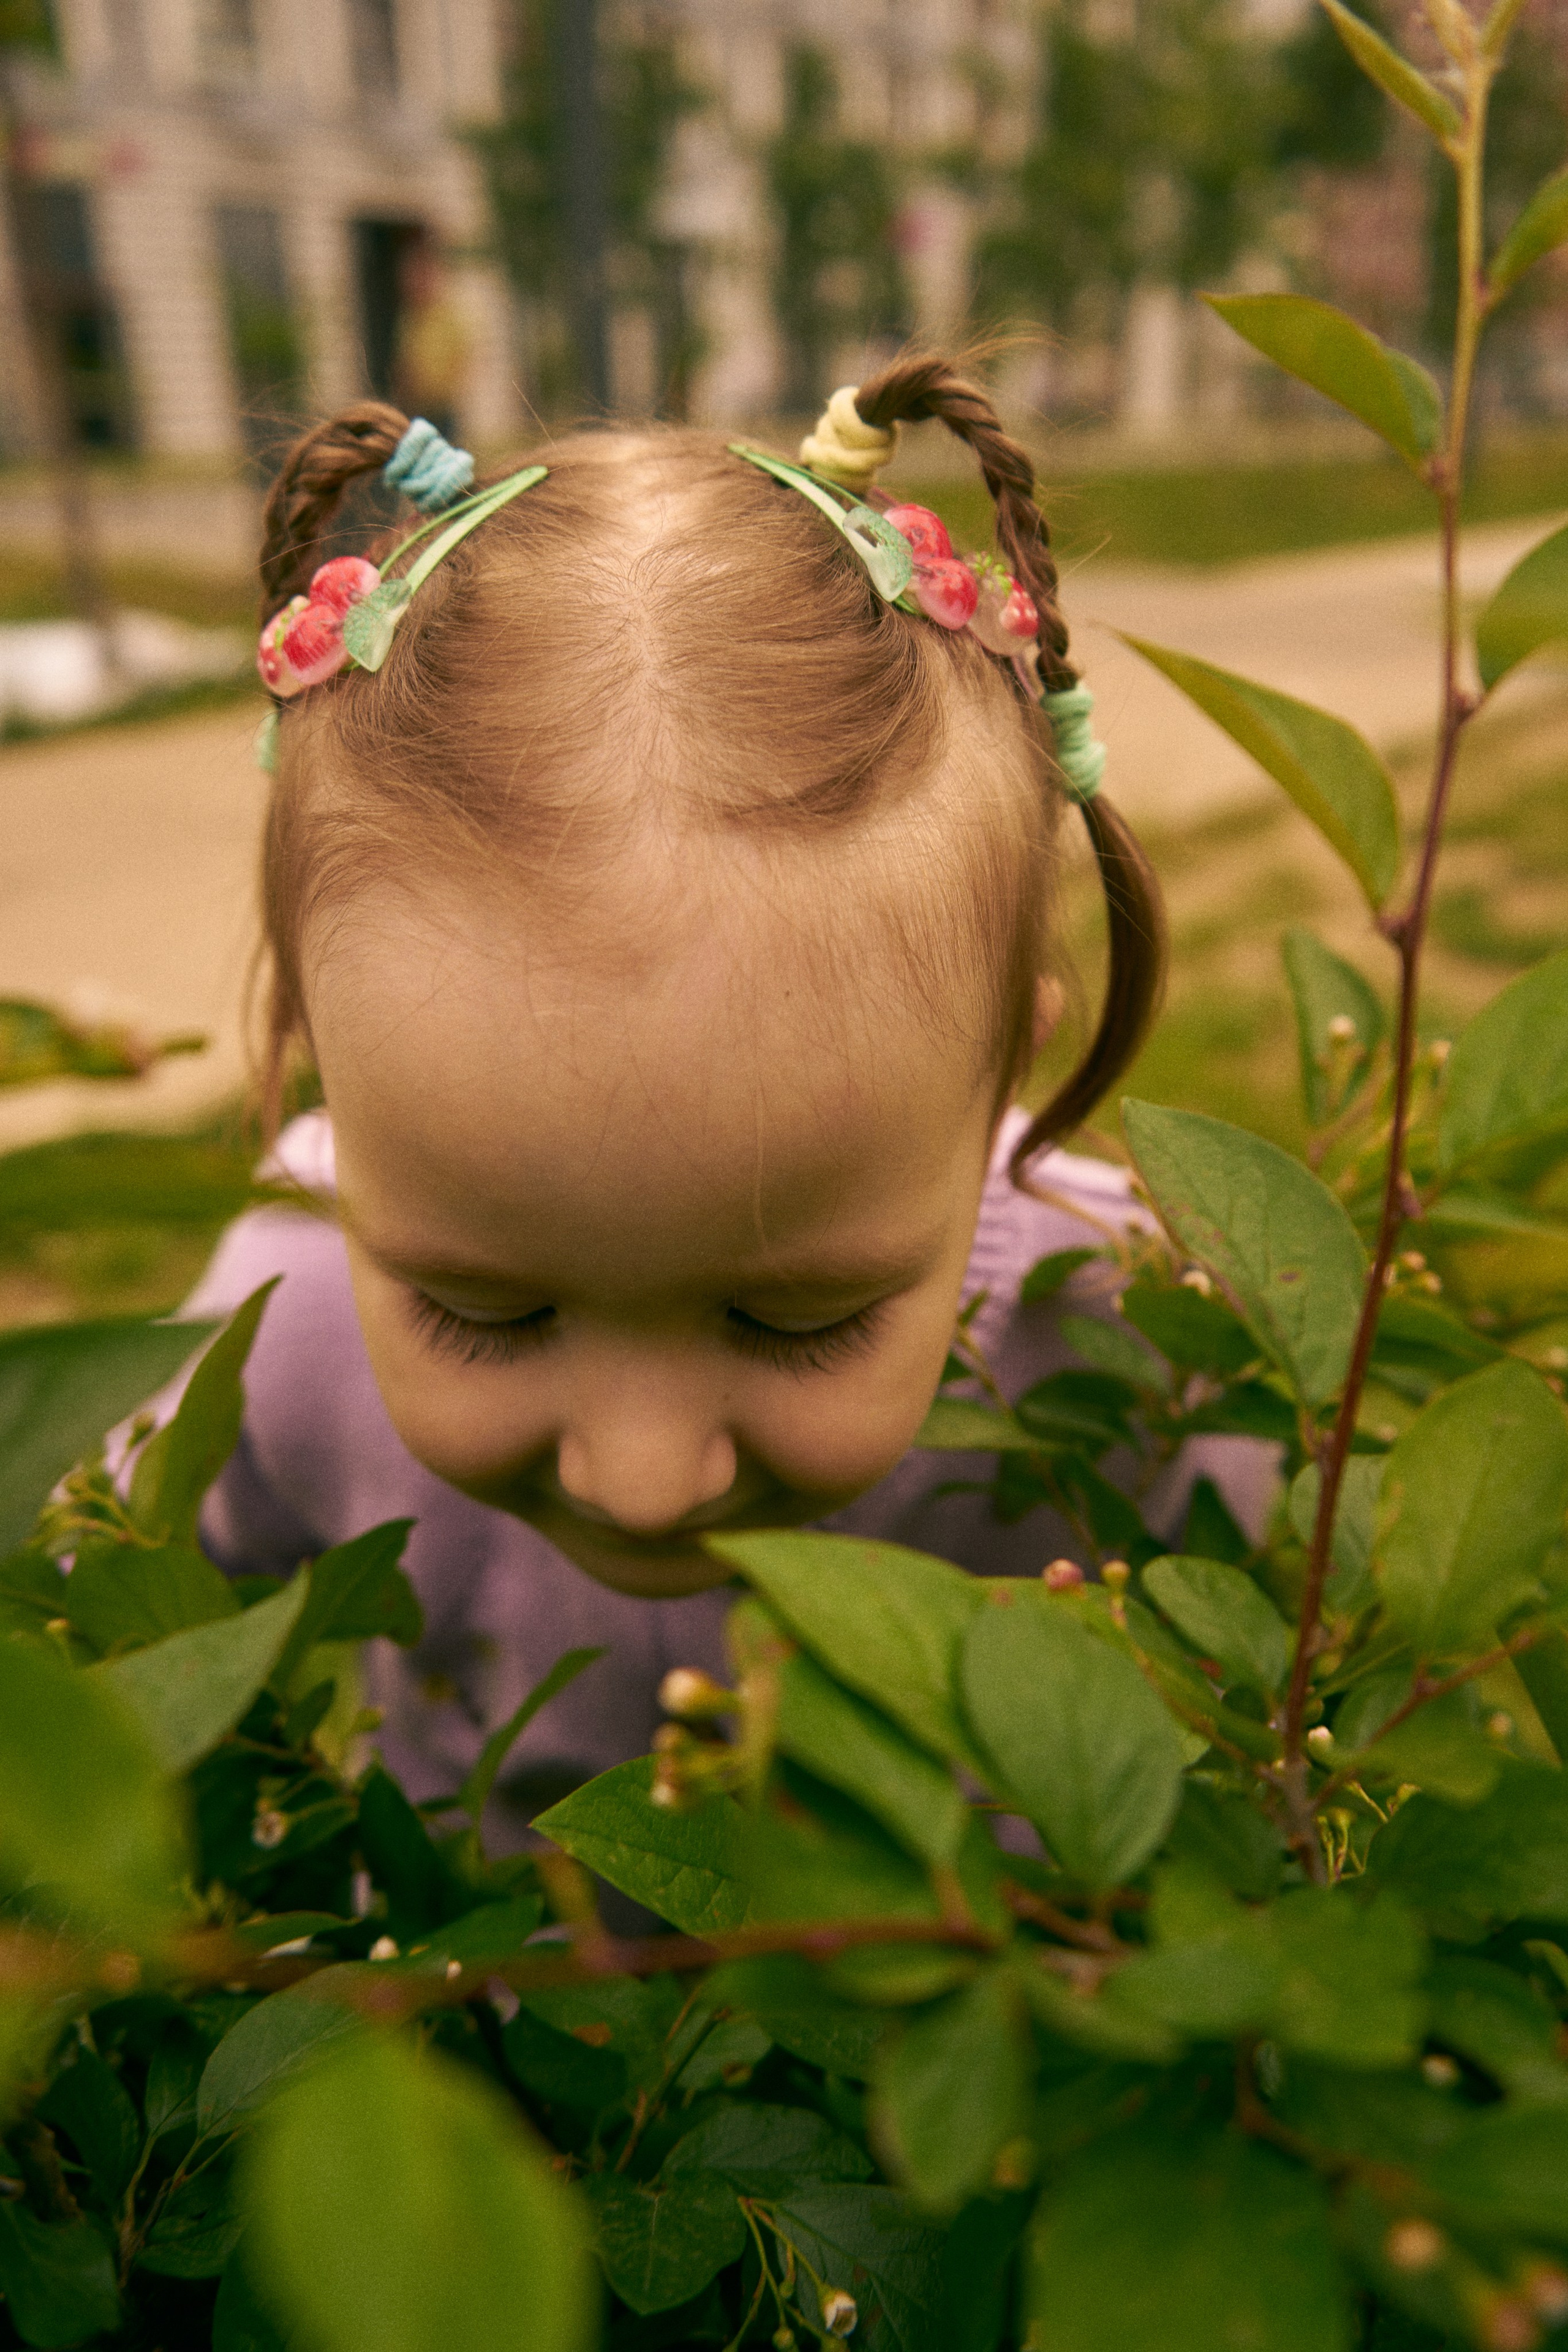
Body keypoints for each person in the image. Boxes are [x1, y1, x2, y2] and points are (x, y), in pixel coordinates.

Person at [202, 361, 1272, 1838]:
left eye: (792, 1322)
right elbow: (99, 1634)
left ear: (995, 1086)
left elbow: (1283, 1672)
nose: (642, 1483)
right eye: (486, 1314)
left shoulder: (1136, 1339)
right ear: (328, 1058)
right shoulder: (280, 1322)